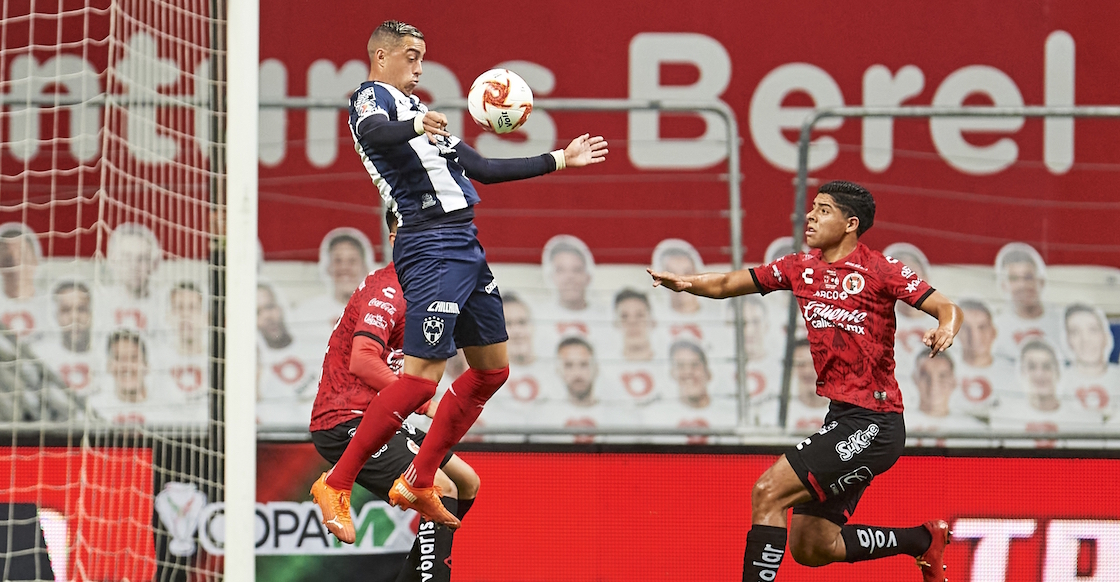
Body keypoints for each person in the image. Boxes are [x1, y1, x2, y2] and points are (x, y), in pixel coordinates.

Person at [314, 18, 607, 531]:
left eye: (422, 56)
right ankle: (336, 482)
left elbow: (485, 169)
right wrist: (413, 127)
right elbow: (375, 132)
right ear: (382, 57)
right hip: (428, 243)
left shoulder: (424, 115)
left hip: (465, 243)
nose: (419, 66)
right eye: (410, 55)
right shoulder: (371, 100)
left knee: (493, 369)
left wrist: (560, 159)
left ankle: (420, 478)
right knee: (421, 379)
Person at [648, 180, 960, 582]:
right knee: (812, 547)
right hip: (843, 419)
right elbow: (728, 284)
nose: (810, 216)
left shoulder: (881, 269)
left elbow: (945, 305)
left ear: (851, 223)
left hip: (874, 422)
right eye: (812, 207)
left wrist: (946, 327)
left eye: (823, 210)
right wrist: (687, 282)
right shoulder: (800, 267)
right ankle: (921, 540)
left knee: (767, 492)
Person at [309, 211, 479, 581]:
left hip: (383, 417)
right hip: (345, 420)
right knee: (440, 486)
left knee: (467, 482)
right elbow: (363, 360)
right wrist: (420, 402)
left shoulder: (425, 291)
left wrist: (424, 403)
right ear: (394, 240)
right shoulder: (388, 289)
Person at [256, 281, 321, 426]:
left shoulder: (316, 344)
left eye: (269, 307)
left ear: (280, 308)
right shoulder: (258, 371)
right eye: (257, 312)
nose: (267, 317)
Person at [293, 227, 377, 338]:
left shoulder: (380, 312)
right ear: (328, 267)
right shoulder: (306, 312)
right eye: (338, 260)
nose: (344, 267)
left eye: (352, 261)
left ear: (365, 267)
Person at [991, 242, 1062, 359]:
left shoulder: (1060, 323)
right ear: (1004, 285)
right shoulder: (996, 330)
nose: (1022, 285)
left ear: (1041, 282)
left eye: (1028, 277)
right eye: (1014, 279)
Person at [951, 299, 1013, 419]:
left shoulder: (1011, 373)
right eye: (966, 328)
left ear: (993, 332)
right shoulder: (945, 372)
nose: (975, 336)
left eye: (982, 327)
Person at [1059, 303, 1119, 419]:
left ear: (1105, 336)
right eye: (1075, 332)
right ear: (1067, 340)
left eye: (1093, 330)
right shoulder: (1058, 381)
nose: (1085, 340)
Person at [101, 222, 163, 332]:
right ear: (112, 260)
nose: (134, 266)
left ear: (154, 264)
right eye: (127, 258)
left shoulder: (164, 305)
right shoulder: (100, 304)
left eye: (142, 258)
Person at [0, 222, 49, 342]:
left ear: (35, 261)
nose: (16, 265)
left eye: (23, 257)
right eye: (8, 259)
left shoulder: (51, 305)